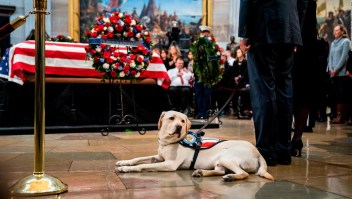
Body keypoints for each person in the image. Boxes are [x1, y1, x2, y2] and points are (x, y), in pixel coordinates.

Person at [238, 0, 307, 165]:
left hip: (262, 30)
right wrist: (295, 31)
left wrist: (245, 33)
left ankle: (267, 151)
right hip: (289, 31)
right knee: (284, 92)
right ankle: (283, 150)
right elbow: (303, 3)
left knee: (264, 90)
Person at [291, 0, 319, 157]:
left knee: (292, 90)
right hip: (307, 43)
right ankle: (297, 139)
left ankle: (292, 139)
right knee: (303, 91)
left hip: (296, 42)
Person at [327, 24, 351, 124]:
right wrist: (331, 69)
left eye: (337, 30)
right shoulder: (332, 43)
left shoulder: (346, 41)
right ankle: (337, 115)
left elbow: (344, 57)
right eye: (334, 30)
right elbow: (330, 57)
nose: (335, 32)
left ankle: (342, 117)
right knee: (336, 95)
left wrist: (336, 69)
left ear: (342, 31)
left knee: (342, 95)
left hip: (342, 74)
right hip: (334, 74)